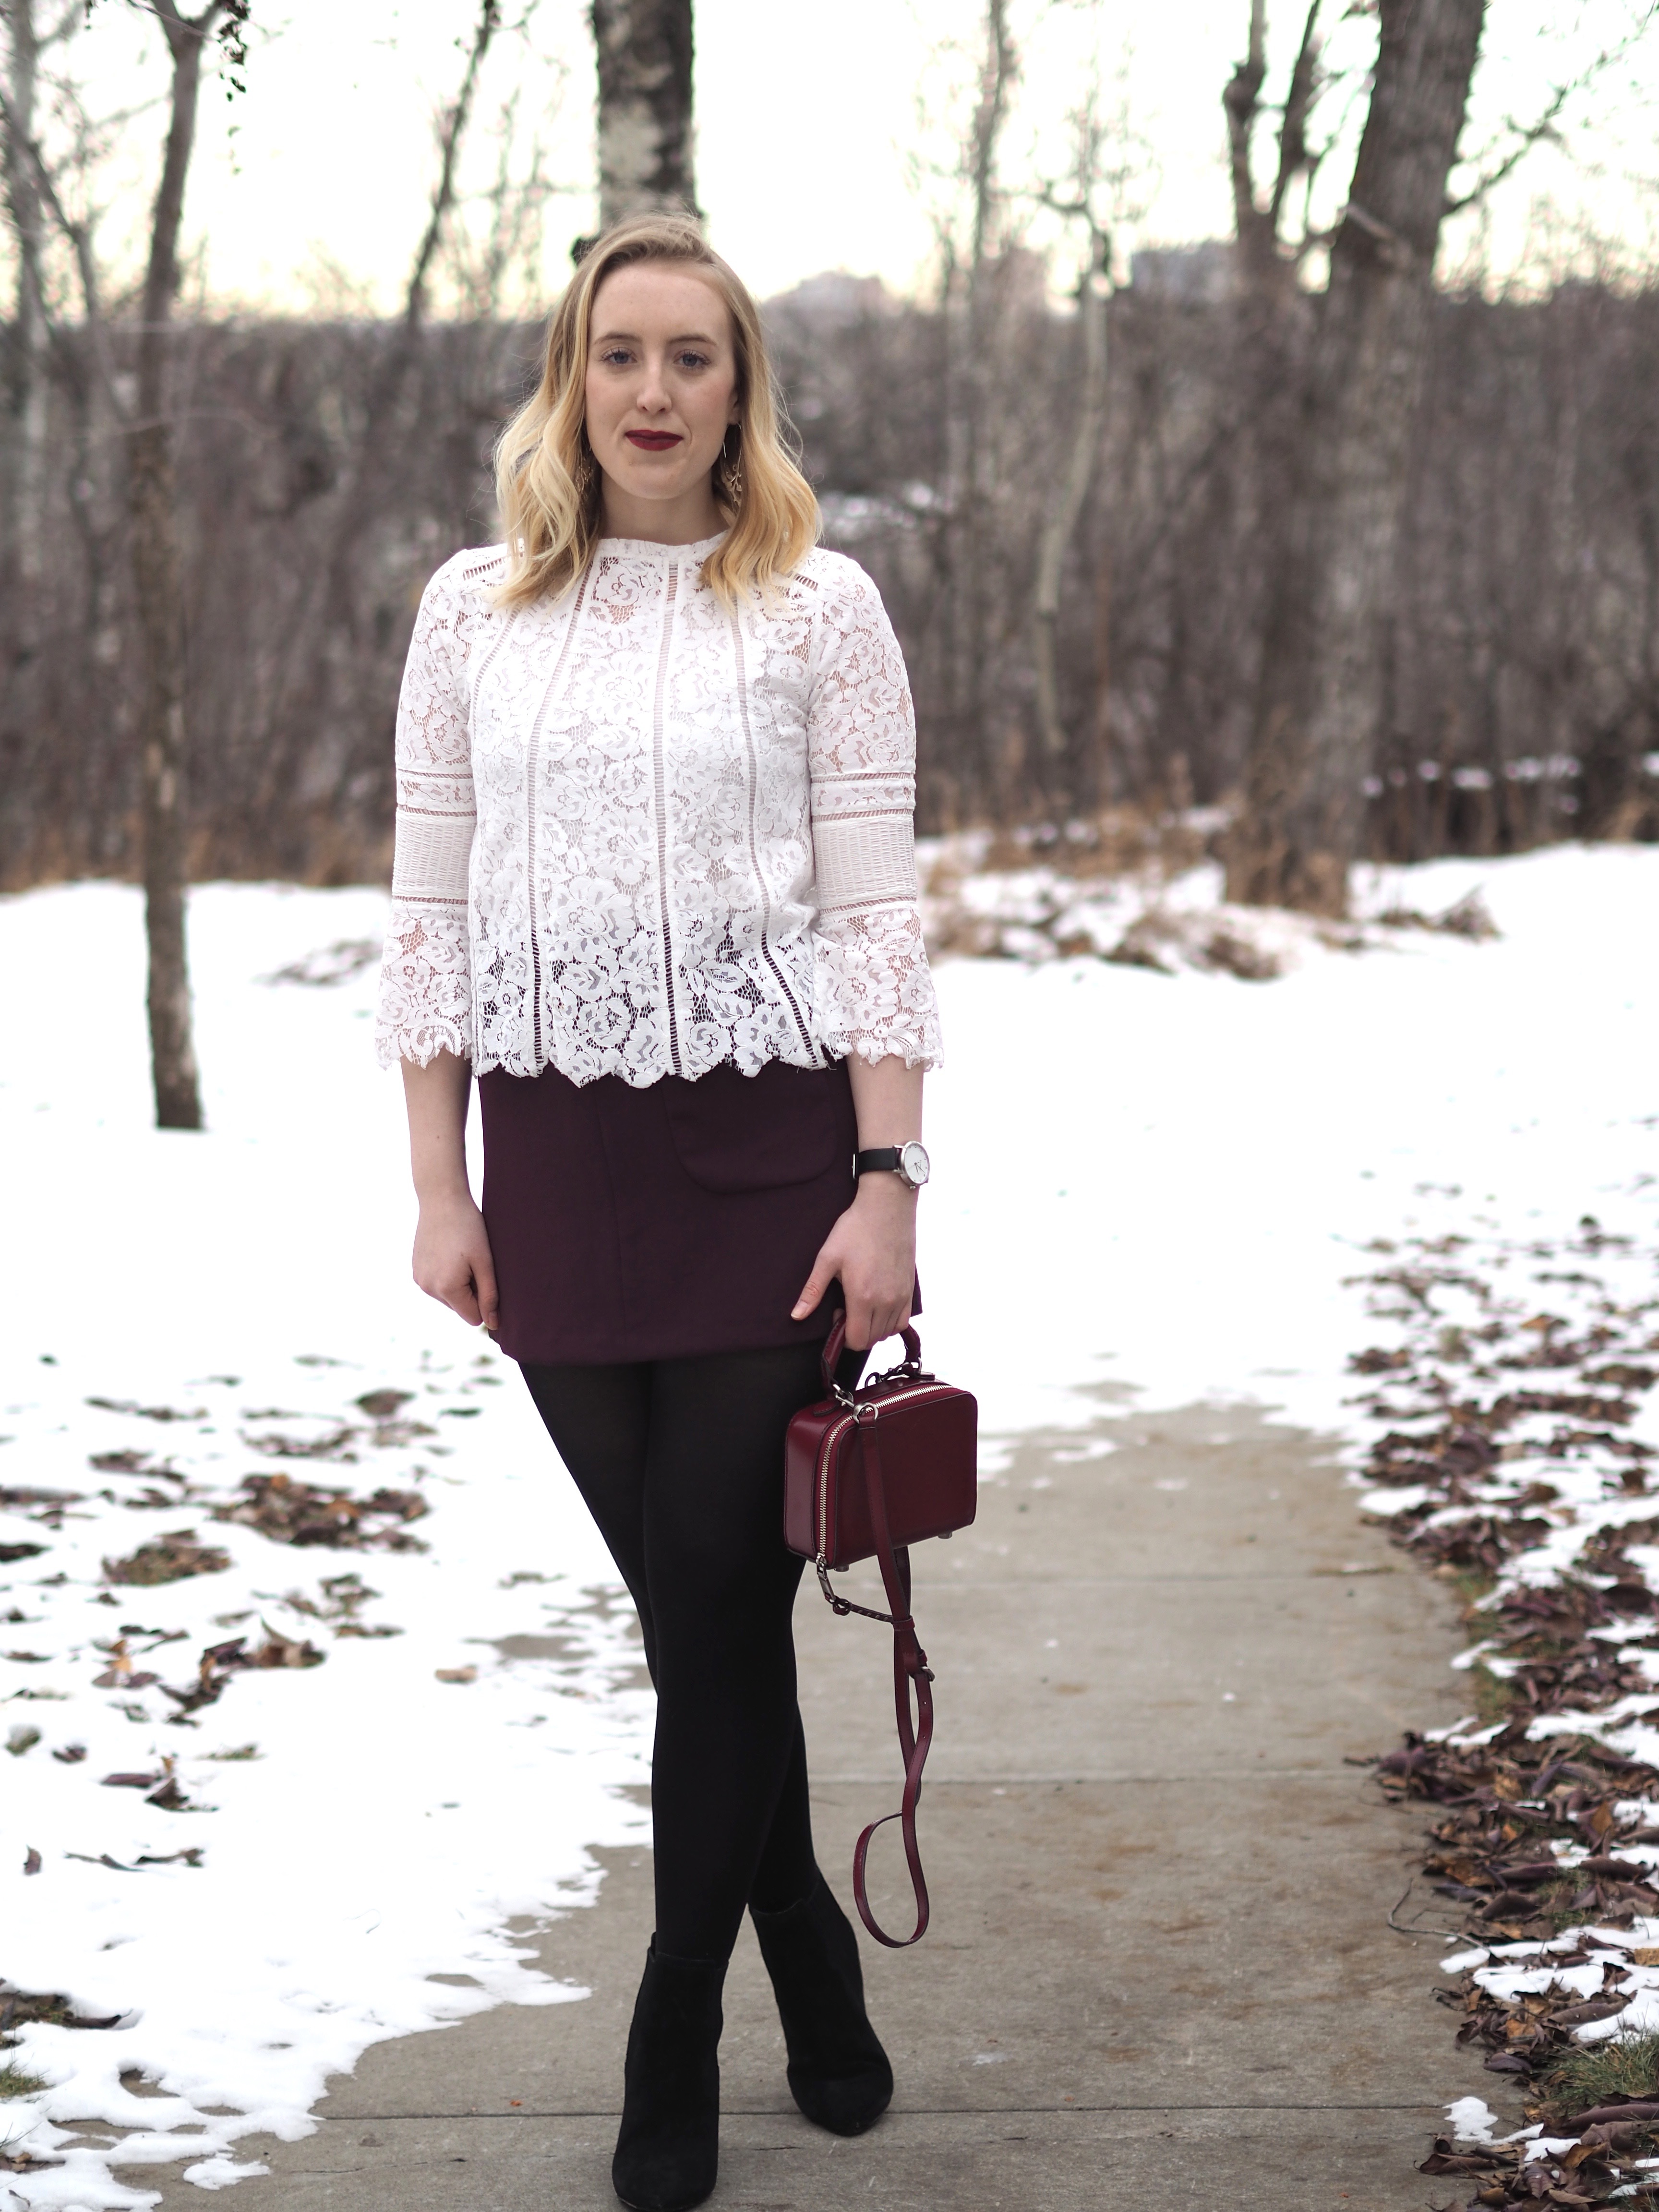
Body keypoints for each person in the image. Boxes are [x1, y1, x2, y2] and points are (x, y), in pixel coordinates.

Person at [374, 210, 944, 2212]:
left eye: (692, 357)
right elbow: (430, 912)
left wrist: (886, 1182)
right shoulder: (470, 610)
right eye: (620, 353)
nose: (651, 392)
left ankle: (672, 2022)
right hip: (555, 1168)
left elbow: (876, 914)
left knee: (714, 1612)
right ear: (569, 375)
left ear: (741, 388)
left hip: (767, 1163)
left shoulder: (818, 605)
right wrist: (438, 1182)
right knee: (699, 1624)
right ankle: (806, 1943)